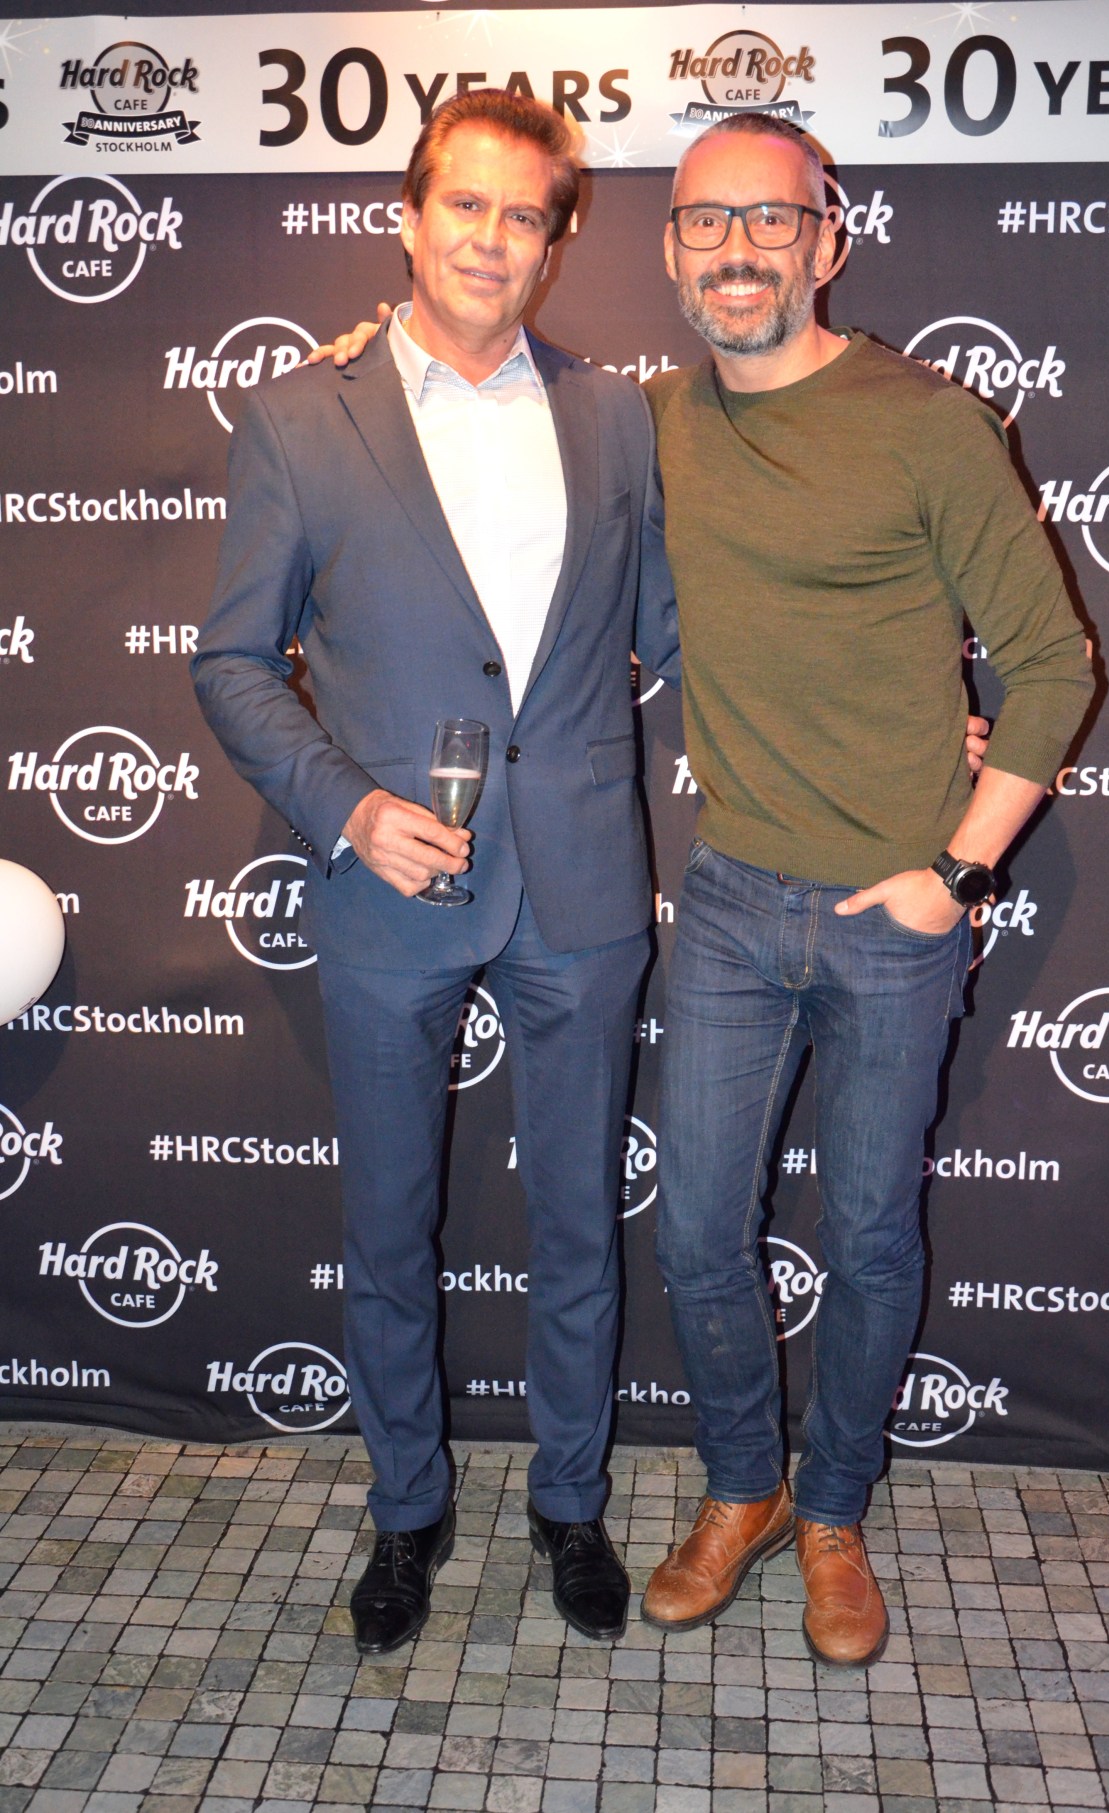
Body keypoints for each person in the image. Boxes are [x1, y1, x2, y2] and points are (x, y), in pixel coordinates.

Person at [192, 89, 681, 1653]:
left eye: (523, 214)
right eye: (464, 204)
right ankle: (408, 1505)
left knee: (578, 1223)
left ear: (555, 241)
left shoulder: (616, 416)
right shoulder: (298, 416)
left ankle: (570, 1499)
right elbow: (232, 663)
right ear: (408, 219)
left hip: (582, 880)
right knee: (392, 1221)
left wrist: (896, 719)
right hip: (386, 888)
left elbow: (682, 640)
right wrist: (346, 807)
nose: (490, 238)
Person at [631, 115, 1093, 1665]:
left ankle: (834, 1509)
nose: (738, 249)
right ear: (670, 249)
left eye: (770, 219)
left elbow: (1051, 666)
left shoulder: (928, 420)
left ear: (827, 239)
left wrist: (959, 870)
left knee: (874, 1232)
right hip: (728, 898)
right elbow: (491, 428)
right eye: (706, 222)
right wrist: (380, 347)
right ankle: (745, 1488)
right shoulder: (653, 422)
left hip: (895, 914)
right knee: (696, 1227)